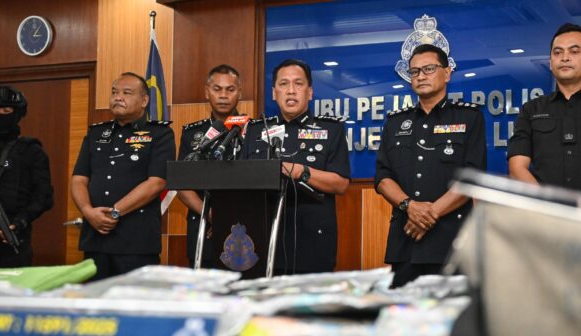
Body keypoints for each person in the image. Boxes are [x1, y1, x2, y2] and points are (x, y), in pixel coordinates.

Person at [375, 44, 487, 288]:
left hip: (452, 242)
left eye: (428, 69)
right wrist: (410, 206)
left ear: (447, 73)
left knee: (452, 310)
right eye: (415, 71)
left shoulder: (469, 118)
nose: (421, 76)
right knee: (402, 309)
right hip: (405, 241)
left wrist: (429, 213)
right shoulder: (395, 122)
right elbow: (382, 178)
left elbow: (471, 179)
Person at [242, 59, 350, 275]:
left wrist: (302, 171)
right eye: (283, 84)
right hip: (264, 242)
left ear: (310, 92)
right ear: (274, 93)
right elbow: (242, 182)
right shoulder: (255, 131)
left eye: (298, 84)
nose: (291, 90)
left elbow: (341, 184)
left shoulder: (331, 130)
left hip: (312, 242)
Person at [71, 72, 176, 280]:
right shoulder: (96, 133)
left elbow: (156, 183)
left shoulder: (159, 134)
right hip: (95, 239)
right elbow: (79, 179)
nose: (118, 97)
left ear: (144, 101)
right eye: (114, 92)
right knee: (94, 299)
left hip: (136, 242)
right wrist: (87, 211)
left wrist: (115, 212)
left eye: (126, 93)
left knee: (134, 298)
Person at [177, 64, 243, 267]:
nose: (223, 95)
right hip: (202, 225)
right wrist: (211, 215)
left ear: (239, 93)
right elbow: (181, 184)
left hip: (243, 227)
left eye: (230, 89)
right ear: (207, 92)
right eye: (217, 89)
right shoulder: (192, 134)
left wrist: (229, 217)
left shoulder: (255, 131)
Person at [0, 85, 53, 267]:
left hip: (12, 239)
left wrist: (20, 222)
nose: (0, 115)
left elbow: (44, 197)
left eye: (6, 111)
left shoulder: (31, 151)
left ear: (18, 114)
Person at [508, 23, 581, 190]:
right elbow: (517, 168)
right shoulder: (531, 110)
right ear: (550, 63)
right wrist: (546, 203)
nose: (565, 58)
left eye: (574, 51)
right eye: (558, 52)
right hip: (542, 206)